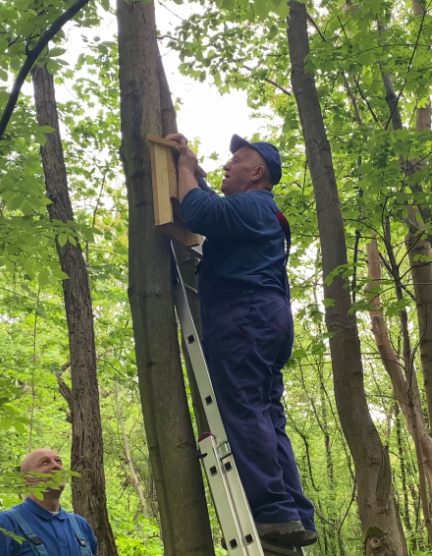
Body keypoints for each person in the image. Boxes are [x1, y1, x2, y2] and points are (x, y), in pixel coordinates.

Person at [166, 132, 317, 547]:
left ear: (257, 172)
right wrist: (196, 174)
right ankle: (294, 512)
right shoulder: (257, 210)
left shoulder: (251, 204)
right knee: (267, 413)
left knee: (245, 408)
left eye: (237, 161)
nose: (227, 165)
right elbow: (214, 209)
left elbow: (199, 212)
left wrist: (183, 167)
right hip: (265, 317)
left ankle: (271, 509)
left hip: (242, 316)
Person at [0, 448, 98, 556]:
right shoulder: (8, 522)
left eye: (59, 461)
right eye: (45, 462)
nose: (56, 466)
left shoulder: (80, 525)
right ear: (27, 480)